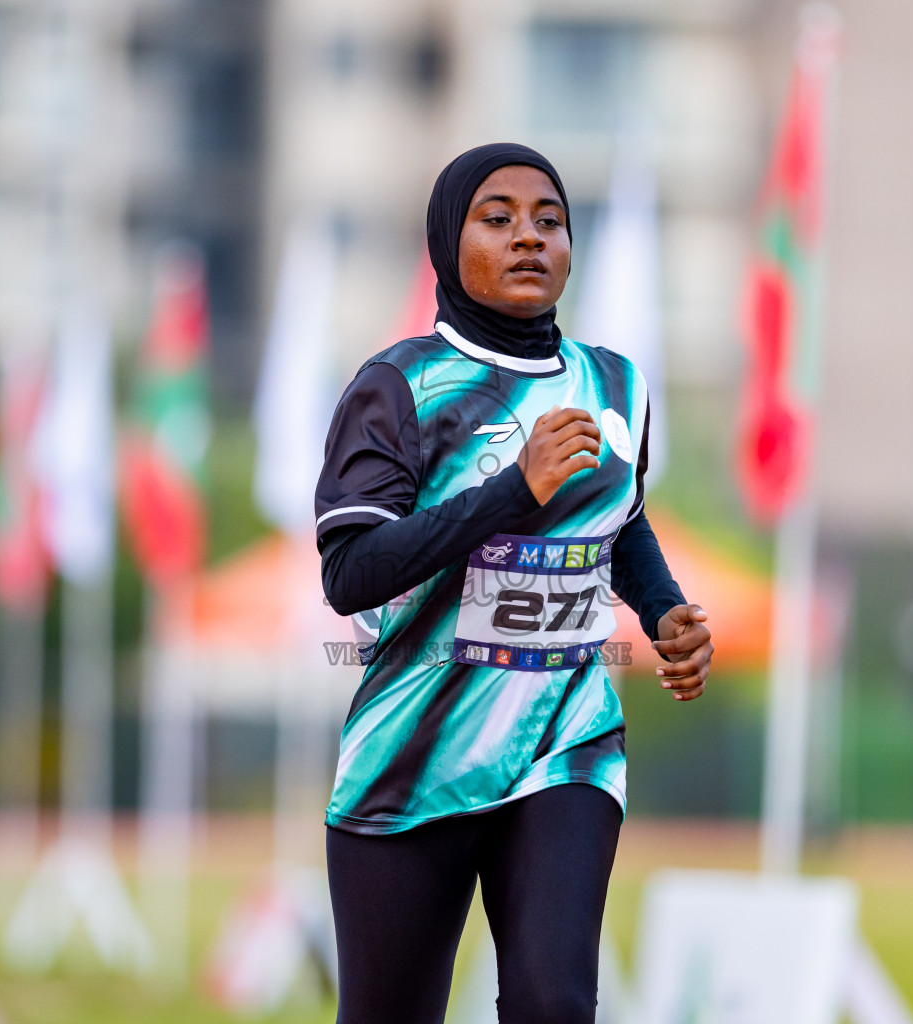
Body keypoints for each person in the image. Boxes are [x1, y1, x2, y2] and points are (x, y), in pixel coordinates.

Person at [314, 142, 714, 1023]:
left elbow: (619, 518)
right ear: (446, 244)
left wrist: (663, 611)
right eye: (497, 219)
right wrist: (512, 489)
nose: (528, 237)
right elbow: (350, 574)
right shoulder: (399, 386)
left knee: (554, 1003)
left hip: (562, 743)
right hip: (417, 755)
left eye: (549, 220)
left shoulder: (616, 384)